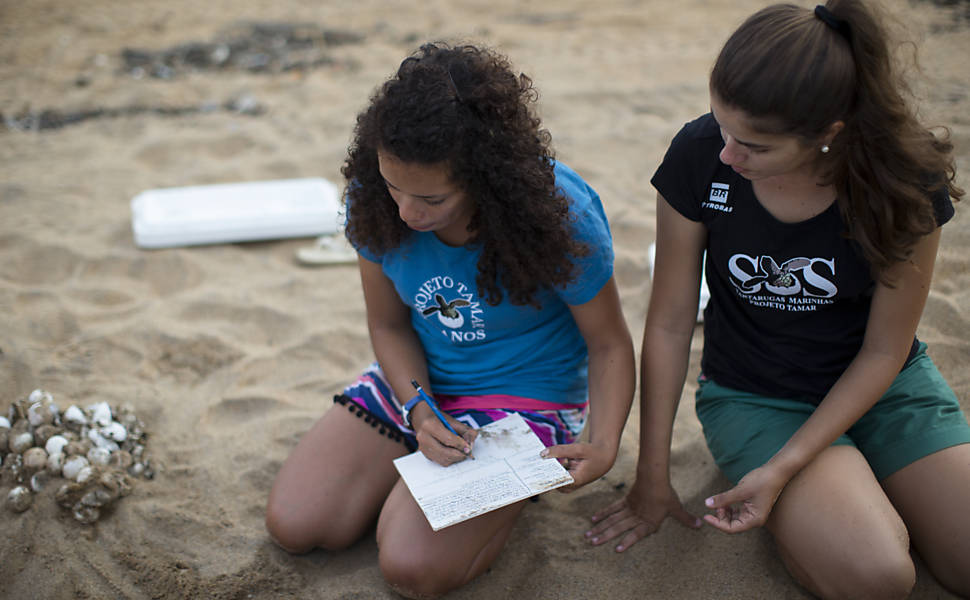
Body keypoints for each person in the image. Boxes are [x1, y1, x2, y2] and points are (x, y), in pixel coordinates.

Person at [587, 2, 970, 598]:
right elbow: (666, 325)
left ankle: (854, 490)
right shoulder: (698, 157)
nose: (727, 155)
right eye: (722, 128)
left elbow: (882, 352)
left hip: (887, 387)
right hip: (756, 396)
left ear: (829, 136)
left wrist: (786, 468)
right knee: (879, 575)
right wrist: (652, 477)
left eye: (754, 146)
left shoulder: (905, 182)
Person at [265, 42, 635, 598]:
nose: (408, 213)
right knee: (299, 526)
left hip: (525, 395)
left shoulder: (561, 216)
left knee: (412, 567)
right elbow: (389, 327)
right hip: (419, 382)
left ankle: (472, 500)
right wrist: (418, 407)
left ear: (485, 180)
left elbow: (609, 344)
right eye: (394, 187)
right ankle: (423, 480)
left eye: (431, 198)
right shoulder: (373, 200)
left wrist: (603, 442)